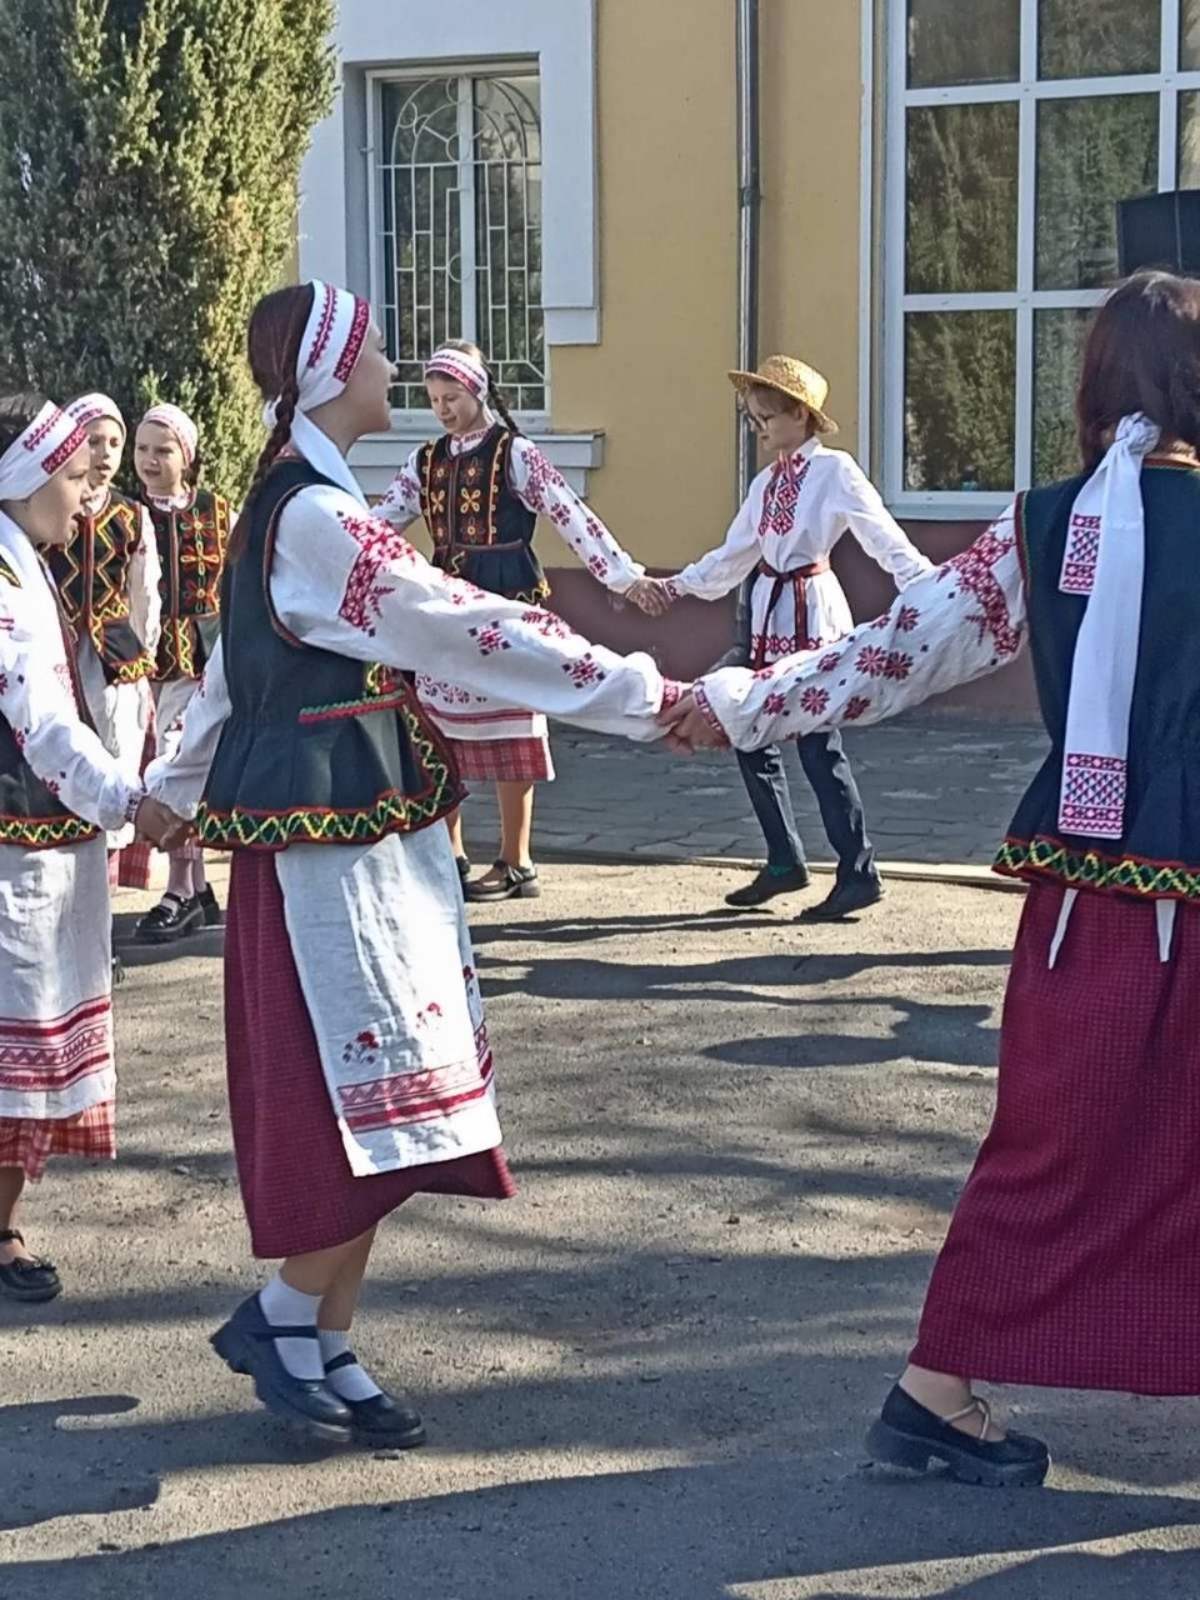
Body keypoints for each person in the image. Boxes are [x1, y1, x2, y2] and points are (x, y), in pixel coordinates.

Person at [667, 271, 1200, 1486]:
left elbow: (893, 652)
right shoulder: (1069, 521)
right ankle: (933, 1394)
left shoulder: (1048, 523)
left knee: (1056, 1140)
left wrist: (738, 704)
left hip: (1089, 893)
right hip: (1147, 888)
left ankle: (934, 1393)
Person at [146, 281, 678, 1446]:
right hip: (323, 841)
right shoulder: (315, 516)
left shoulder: (306, 496)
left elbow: (236, 671)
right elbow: (454, 619)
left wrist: (172, 791)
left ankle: (321, 1335)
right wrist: (644, 693)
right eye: (379, 348)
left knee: (399, 1085)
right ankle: (283, 1317)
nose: (394, 366)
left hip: (361, 820)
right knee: (360, 1088)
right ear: (334, 370)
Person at [0, 393, 181, 1304]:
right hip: (16, 843)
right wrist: (129, 801)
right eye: (73, 476)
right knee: (16, 1047)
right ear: (26, 479)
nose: (86, 494)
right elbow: (40, 721)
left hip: (40, 833)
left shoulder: (20, 560)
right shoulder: (4, 582)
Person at [376, 340, 666, 902]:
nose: (442, 409)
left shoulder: (514, 454)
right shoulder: (424, 462)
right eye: (433, 399)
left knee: (512, 723)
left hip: (506, 601)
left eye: (451, 397)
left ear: (477, 390)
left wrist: (624, 577)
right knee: (437, 731)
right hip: (447, 609)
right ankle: (450, 855)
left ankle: (516, 860)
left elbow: (568, 512)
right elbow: (380, 522)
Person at [651, 357, 931, 921]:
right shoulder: (767, 483)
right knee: (747, 730)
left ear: (800, 415)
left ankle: (858, 870)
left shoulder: (834, 471)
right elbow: (733, 557)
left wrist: (931, 590)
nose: (759, 429)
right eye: (754, 419)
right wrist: (672, 586)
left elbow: (883, 536)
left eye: (767, 418)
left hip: (812, 616)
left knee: (817, 745)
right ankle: (784, 858)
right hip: (769, 615)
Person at [49, 394, 161, 905]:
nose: (106, 453)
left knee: (114, 763)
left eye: (115, 442)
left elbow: (145, 591)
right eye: (95, 441)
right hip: (60, 654)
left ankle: (104, 910)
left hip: (115, 661)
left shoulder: (132, 515)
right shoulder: (51, 508)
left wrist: (143, 654)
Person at [133, 403, 232, 943]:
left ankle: (181, 889)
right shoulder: (129, 515)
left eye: (163, 450)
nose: (150, 460)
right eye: (143, 449)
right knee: (164, 764)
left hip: (201, 661)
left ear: (186, 457)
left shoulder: (218, 512)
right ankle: (194, 886)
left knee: (184, 762)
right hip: (146, 660)